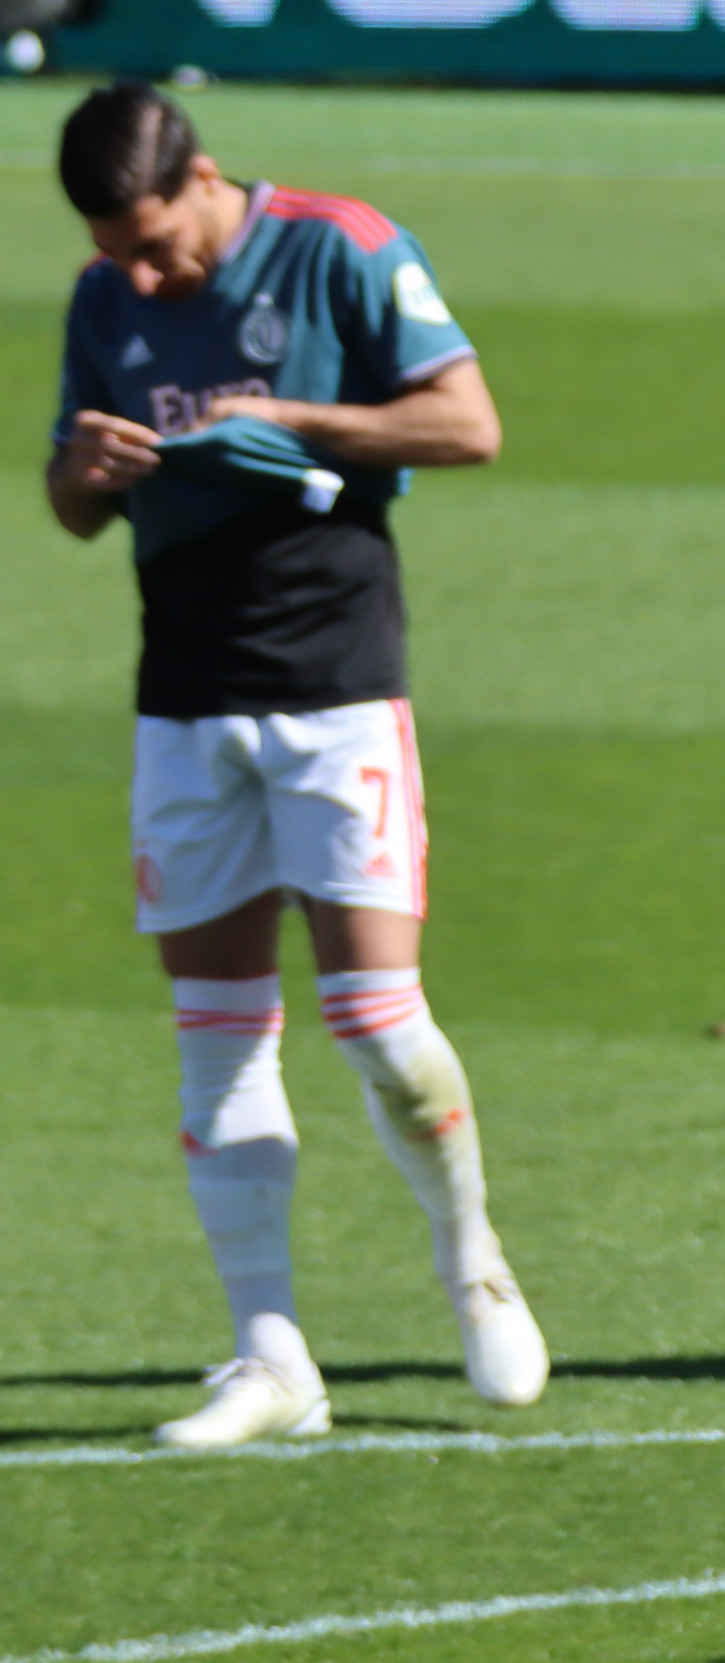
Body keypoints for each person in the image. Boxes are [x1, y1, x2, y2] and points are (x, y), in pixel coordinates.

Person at [45, 80, 544, 1450]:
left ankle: (474, 1264)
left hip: (337, 683)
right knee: (217, 1040)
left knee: (377, 1018)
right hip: (183, 696)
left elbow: (468, 424)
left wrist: (298, 421)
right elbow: (70, 504)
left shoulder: (342, 246)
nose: (143, 277)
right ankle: (270, 1359)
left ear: (204, 177)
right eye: (118, 254)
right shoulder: (102, 295)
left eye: (157, 247)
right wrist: (91, 465)